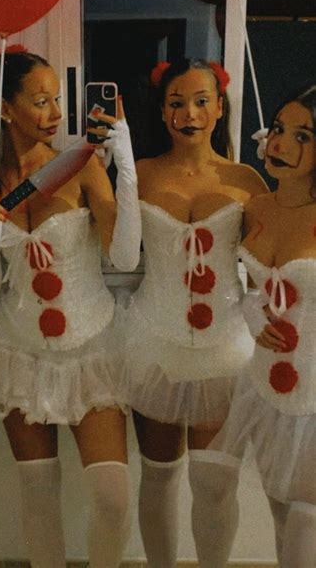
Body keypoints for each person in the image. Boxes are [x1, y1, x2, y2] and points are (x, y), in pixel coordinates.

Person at [0, 46, 140, 568]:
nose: (57, 113)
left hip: (92, 345)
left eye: (58, 99)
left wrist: (123, 162)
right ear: (5, 108)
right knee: (37, 497)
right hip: (18, 350)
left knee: (112, 499)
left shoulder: (81, 165)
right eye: (41, 100)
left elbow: (125, 254)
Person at [120, 58, 268, 568]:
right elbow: (116, 248)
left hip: (225, 345)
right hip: (153, 342)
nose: (190, 113)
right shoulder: (137, 174)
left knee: (214, 480)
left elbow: (272, 258)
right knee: (159, 476)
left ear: (220, 106)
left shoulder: (247, 177)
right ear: (162, 112)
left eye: (202, 100)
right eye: (177, 102)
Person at [206, 83, 316, 567]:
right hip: (267, 388)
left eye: (303, 136)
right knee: (279, 513)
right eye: (277, 128)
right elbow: (246, 291)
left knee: (306, 526)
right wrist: (253, 316)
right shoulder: (257, 208)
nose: (280, 143)